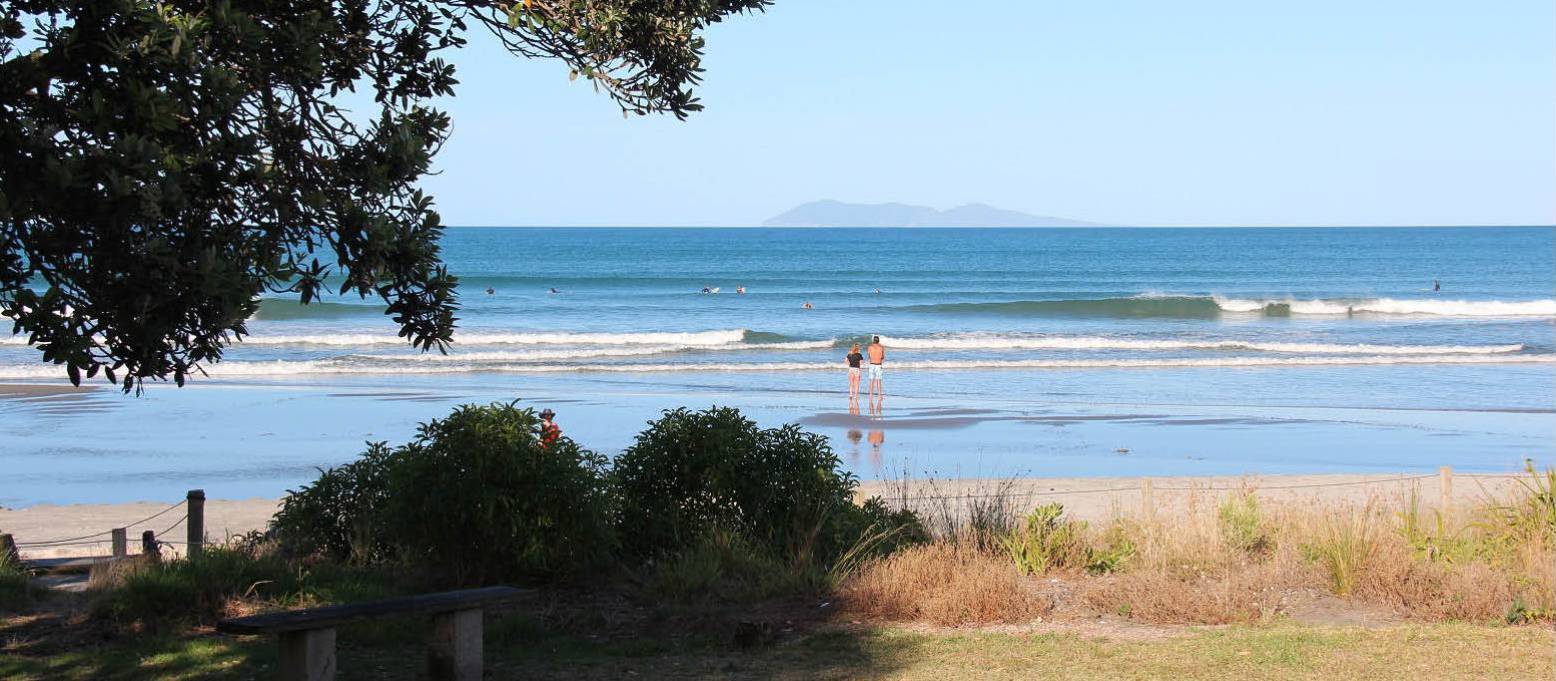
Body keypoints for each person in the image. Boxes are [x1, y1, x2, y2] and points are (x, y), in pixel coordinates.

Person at [866, 335, 885, 400]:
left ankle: (870, 395)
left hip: (871, 364)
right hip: (878, 364)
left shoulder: (869, 347)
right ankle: (879, 396)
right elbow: (882, 357)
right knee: (878, 381)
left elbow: (869, 356)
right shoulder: (881, 347)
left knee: (871, 381)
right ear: (878, 341)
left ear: (873, 340)